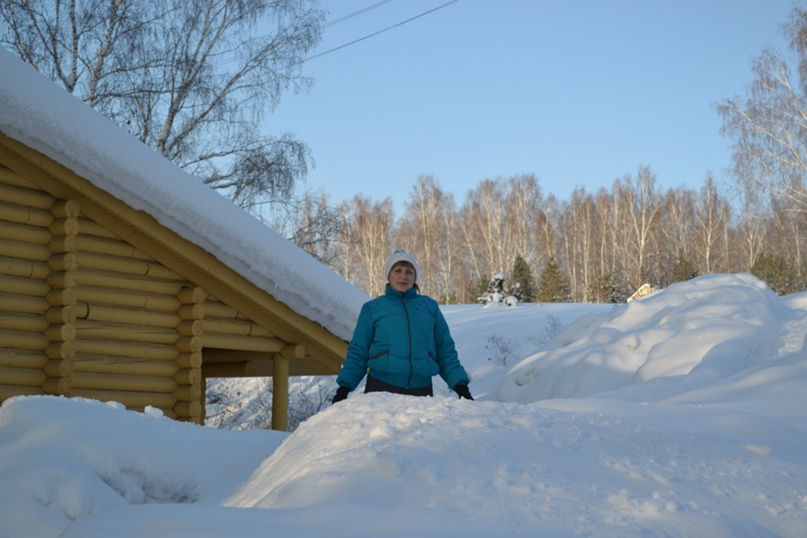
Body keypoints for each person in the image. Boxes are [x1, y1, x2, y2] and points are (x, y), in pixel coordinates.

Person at [332, 249, 473, 403]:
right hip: (381, 389)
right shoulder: (373, 309)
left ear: (415, 278)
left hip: (422, 391)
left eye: (409, 272)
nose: (403, 276)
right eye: (397, 270)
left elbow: (444, 350)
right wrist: (344, 387)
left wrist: (460, 385)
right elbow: (359, 351)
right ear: (389, 275)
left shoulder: (429, 307)